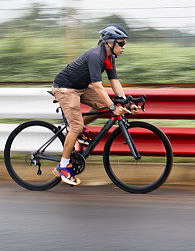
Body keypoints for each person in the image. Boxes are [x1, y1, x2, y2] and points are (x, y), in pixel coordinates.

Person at [51, 24, 134, 186]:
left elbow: (114, 82)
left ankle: (78, 129)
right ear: (110, 42)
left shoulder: (109, 57)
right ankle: (63, 167)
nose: (124, 47)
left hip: (80, 87)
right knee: (76, 126)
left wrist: (125, 102)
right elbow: (97, 86)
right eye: (121, 43)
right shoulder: (96, 55)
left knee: (102, 106)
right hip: (66, 88)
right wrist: (112, 107)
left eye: (124, 43)